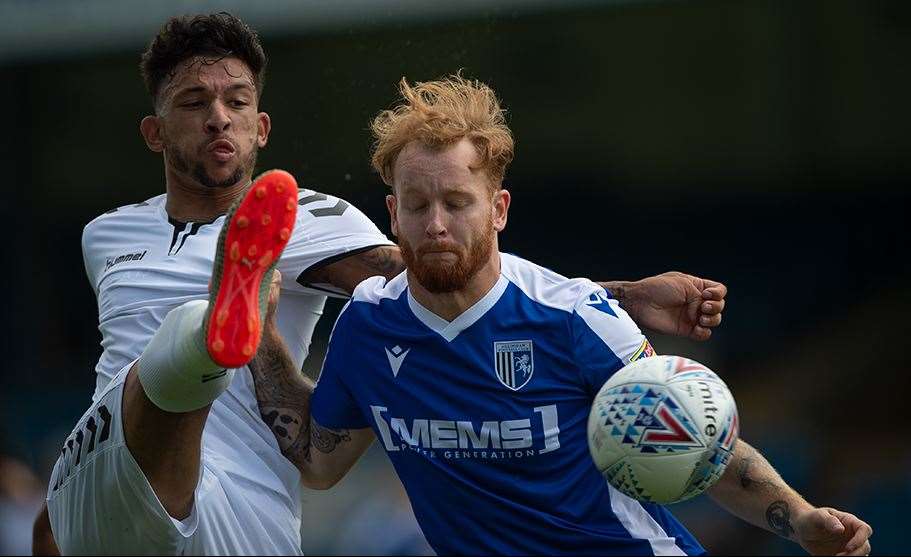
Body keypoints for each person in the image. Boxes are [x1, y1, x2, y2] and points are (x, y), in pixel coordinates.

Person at [33, 13, 730, 556]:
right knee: (55, 514)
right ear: (154, 133)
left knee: (176, 347)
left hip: (236, 506)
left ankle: (218, 325)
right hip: (110, 468)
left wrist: (621, 295)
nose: (218, 116)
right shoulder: (107, 234)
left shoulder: (306, 215)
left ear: (261, 126)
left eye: (236, 101)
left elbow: (443, 280)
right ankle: (210, 328)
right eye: (194, 102)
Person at [252, 75, 874, 556]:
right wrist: (258, 334)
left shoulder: (576, 317)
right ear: (392, 213)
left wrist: (799, 517)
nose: (435, 224)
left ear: (498, 209)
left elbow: (699, 445)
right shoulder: (366, 328)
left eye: (457, 202)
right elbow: (322, 464)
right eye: (416, 204)